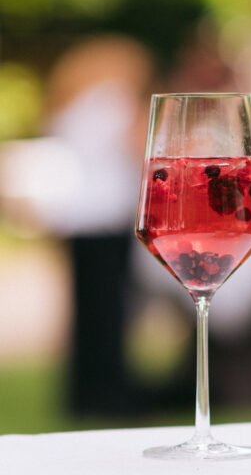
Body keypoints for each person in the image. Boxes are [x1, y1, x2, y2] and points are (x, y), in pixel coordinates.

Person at [38, 35, 154, 416]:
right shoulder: (111, 101)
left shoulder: (71, 105)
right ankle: (110, 391)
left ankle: (84, 393)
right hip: (105, 216)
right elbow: (139, 147)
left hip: (77, 217)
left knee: (87, 311)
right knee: (110, 310)